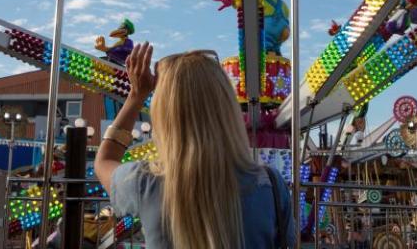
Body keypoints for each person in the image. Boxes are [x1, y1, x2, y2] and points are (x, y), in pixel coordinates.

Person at [95, 42, 295, 248]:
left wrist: (136, 96)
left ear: (164, 115)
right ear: (228, 108)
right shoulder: (270, 185)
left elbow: (104, 161)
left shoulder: (143, 182)